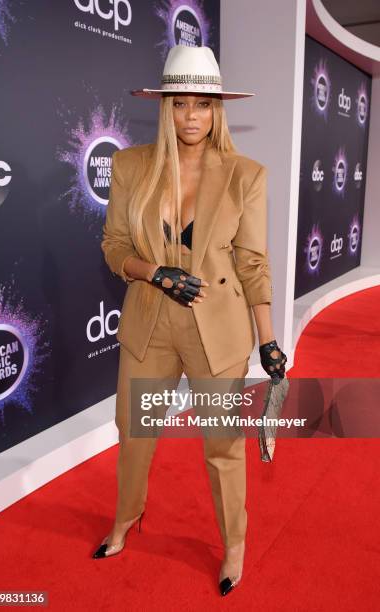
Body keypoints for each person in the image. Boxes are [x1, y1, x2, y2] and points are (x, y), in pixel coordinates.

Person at [94, 44, 287, 597]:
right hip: (150, 325)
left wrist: (269, 342)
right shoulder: (130, 166)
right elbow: (113, 248)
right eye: (181, 104)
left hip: (216, 330)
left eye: (203, 104)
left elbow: (252, 262)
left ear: (217, 109)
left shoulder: (245, 175)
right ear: (165, 106)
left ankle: (233, 544)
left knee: (223, 444)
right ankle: (127, 519)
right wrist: (152, 272)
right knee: (134, 433)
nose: (192, 116)